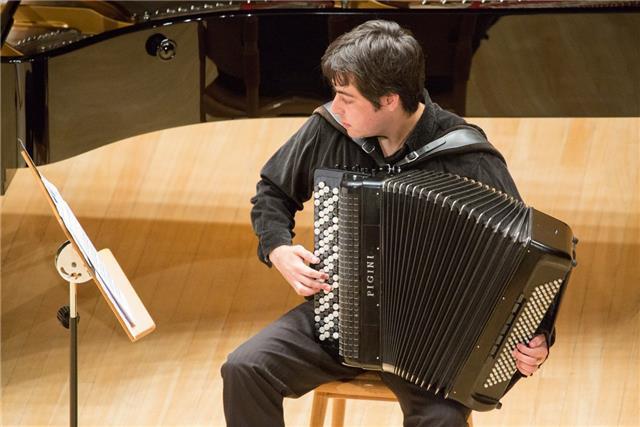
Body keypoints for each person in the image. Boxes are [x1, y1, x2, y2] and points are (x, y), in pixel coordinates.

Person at [221, 20, 552, 427]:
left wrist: (540, 338)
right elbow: (273, 191)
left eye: (347, 98)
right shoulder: (330, 129)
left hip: (433, 343)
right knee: (245, 369)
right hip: (339, 316)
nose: (335, 108)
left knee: (442, 421)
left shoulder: (469, 157)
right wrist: (278, 248)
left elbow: (526, 257)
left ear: (390, 100)